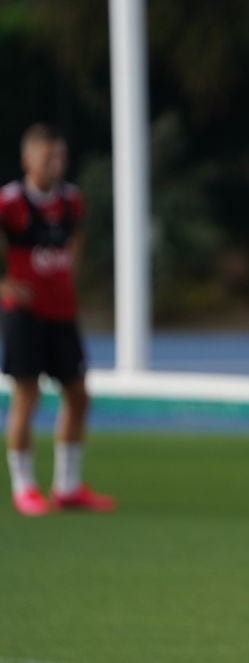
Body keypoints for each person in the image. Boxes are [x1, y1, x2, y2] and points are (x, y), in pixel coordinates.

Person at [2, 124, 114, 516]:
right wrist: (5, 284)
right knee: (26, 397)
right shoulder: (11, 201)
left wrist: (66, 274)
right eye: (47, 157)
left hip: (62, 315)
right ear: (27, 159)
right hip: (25, 316)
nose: (55, 164)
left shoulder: (70, 200)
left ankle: (66, 486)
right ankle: (24, 487)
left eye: (60, 156)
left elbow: (76, 238)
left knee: (79, 394)